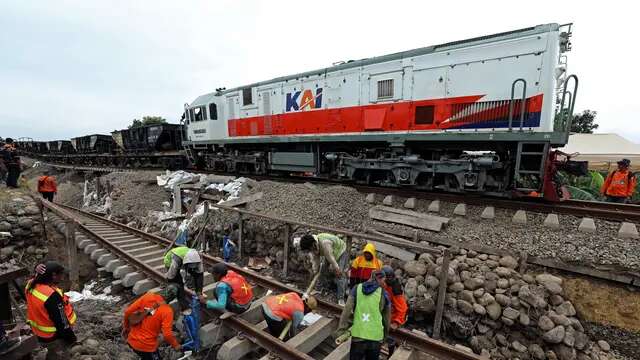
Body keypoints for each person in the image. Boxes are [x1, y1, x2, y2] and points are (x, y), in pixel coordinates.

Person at [25, 261, 77, 360]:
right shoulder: (51, 296)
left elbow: (35, 277)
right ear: (53, 275)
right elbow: (62, 322)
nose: (63, 277)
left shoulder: (30, 284)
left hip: (38, 333)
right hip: (53, 337)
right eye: (61, 274)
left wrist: (36, 267)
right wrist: (71, 339)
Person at [337, 270, 390, 360]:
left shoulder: (356, 288)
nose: (384, 283)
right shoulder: (383, 294)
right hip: (375, 338)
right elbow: (386, 319)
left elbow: (346, 311)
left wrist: (341, 330)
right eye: (383, 280)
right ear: (379, 279)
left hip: (358, 337)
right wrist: (385, 336)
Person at [123, 284, 182, 360]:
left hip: (131, 341)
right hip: (147, 347)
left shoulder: (148, 296)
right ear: (173, 298)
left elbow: (127, 312)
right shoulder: (167, 311)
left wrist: (126, 327)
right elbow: (167, 334)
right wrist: (176, 345)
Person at [299, 233, 348, 306]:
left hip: (340, 251)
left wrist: (337, 268)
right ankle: (319, 289)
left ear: (312, 245)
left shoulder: (325, 243)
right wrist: (316, 271)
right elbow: (315, 260)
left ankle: (341, 298)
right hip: (329, 253)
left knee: (339, 275)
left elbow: (331, 258)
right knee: (322, 271)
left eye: (309, 249)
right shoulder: (313, 246)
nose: (309, 251)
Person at [381, 266, 408, 355]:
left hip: (394, 316)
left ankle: (391, 354)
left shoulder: (395, 288)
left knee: (390, 338)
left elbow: (402, 308)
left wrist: (396, 322)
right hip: (387, 314)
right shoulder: (383, 285)